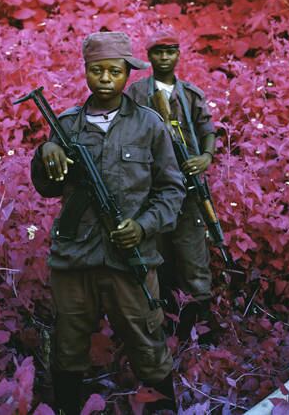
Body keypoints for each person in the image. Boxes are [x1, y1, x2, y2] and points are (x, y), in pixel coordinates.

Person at [30, 31, 185, 414]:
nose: (105, 78)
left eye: (114, 71)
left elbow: (172, 191)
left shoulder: (149, 126)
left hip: (130, 258)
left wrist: (143, 226)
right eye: (97, 70)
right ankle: (68, 407)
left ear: (127, 73)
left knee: (147, 342)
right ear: (85, 71)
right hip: (75, 258)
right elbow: (48, 188)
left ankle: (163, 409)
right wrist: (46, 151)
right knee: (69, 344)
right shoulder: (66, 124)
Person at [124, 30, 220, 342]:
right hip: (151, 191)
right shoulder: (137, 93)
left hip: (188, 190)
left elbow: (208, 130)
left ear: (179, 54)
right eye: (158, 52)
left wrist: (205, 157)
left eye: (170, 51)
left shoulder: (191, 94)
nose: (164, 58)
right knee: (157, 258)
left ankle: (201, 332)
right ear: (149, 56)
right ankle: (163, 328)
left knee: (193, 259)